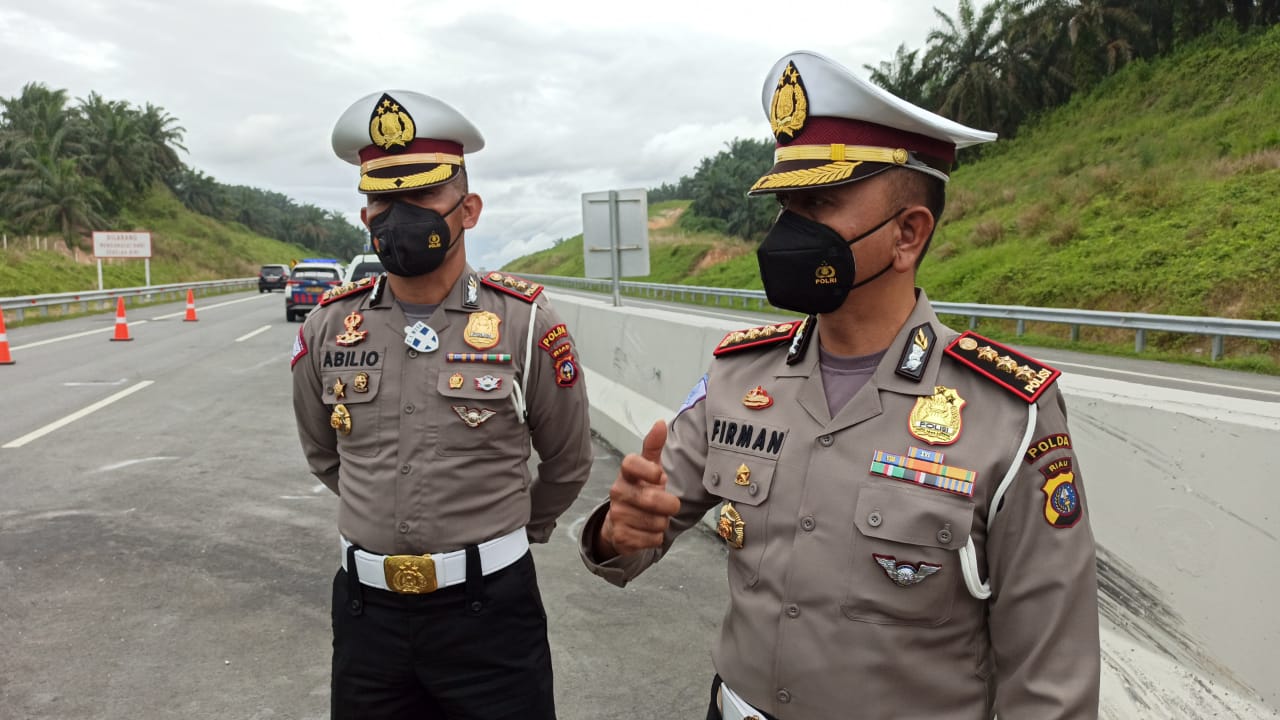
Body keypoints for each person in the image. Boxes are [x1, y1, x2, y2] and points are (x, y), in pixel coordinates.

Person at [579, 50, 1100, 719]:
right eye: (785, 204)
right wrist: (618, 531)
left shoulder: (1005, 412)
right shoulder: (739, 377)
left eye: (819, 203)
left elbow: (1050, 678)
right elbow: (633, 536)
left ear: (908, 234)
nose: (788, 230)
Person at [292, 89, 593, 719]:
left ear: (469, 209)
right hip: (366, 618)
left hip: (490, 619)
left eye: (423, 194)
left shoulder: (525, 322)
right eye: (382, 198)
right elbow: (325, 455)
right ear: (365, 213)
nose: (400, 214)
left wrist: (512, 530)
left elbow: (567, 461)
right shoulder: (329, 325)